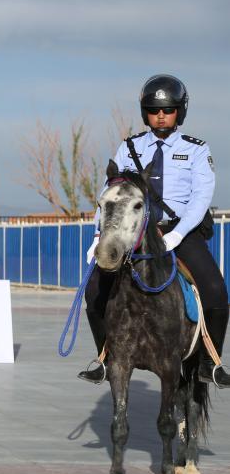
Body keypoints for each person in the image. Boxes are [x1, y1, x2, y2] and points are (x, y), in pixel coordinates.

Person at [80, 74, 229, 388]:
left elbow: (201, 198)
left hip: (181, 232)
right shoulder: (129, 147)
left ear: (180, 112)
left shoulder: (196, 150)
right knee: (95, 290)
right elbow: (110, 193)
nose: (161, 115)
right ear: (144, 112)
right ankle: (104, 359)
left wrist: (177, 234)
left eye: (169, 109)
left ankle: (209, 362)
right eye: (154, 109)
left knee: (215, 289)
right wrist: (98, 235)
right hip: (134, 232)